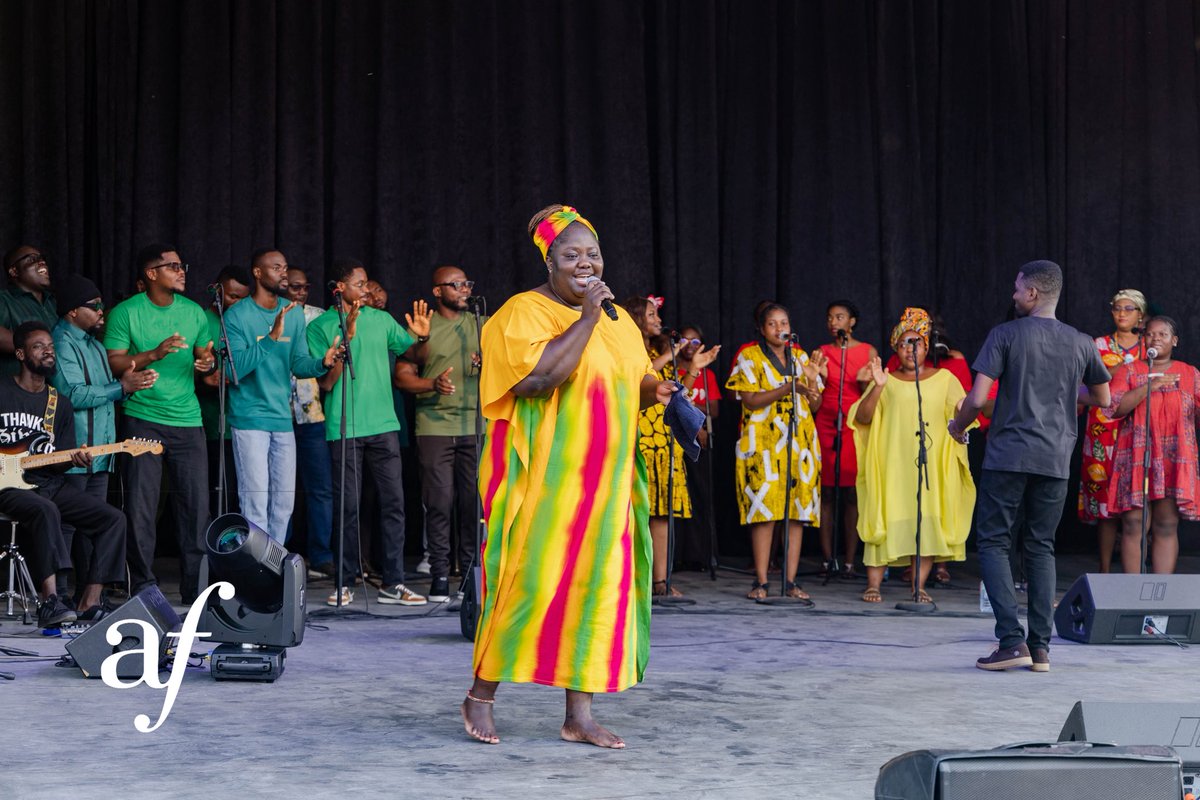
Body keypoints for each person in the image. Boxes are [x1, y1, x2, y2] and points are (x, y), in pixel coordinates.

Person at [463, 204, 677, 749]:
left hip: (607, 482)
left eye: (593, 254)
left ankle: (578, 716)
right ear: (549, 262)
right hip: (545, 482)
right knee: (528, 583)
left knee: (595, 591)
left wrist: (663, 393)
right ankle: (480, 695)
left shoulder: (618, 320)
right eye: (571, 255)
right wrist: (584, 317)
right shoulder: (521, 313)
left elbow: (637, 381)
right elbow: (538, 381)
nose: (586, 264)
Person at [949, 260, 1110, 672]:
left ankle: (1010, 641)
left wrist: (957, 425)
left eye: (1018, 289)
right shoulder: (1081, 341)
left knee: (993, 542)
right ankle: (1040, 649)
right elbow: (1104, 398)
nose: (1014, 295)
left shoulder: (1005, 334)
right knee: (1041, 546)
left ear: (1034, 294)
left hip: (1009, 454)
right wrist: (1056, 388)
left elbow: (979, 397)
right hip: (1055, 456)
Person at [306, 257, 430, 607]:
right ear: (340, 288)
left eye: (367, 283)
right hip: (344, 427)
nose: (367, 290)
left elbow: (415, 355)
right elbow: (327, 383)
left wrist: (423, 337)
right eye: (360, 284)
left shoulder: (381, 320)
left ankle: (394, 583)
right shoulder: (321, 327)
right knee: (348, 507)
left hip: (384, 425)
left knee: (394, 504)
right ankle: (344, 582)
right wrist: (344, 343)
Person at [105, 244, 216, 604]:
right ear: (151, 274)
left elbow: (205, 355)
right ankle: (143, 587)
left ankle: (195, 589)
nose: (182, 271)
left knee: (196, 507)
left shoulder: (195, 312)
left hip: (187, 419)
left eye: (182, 265)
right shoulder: (126, 313)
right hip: (144, 418)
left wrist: (207, 364)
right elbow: (113, 363)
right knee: (141, 505)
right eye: (172, 266)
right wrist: (153, 353)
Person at [0, 322, 128, 627]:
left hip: (48, 483)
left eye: (51, 347)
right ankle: (51, 602)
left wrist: (77, 459)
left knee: (113, 519)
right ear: (20, 353)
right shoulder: (2, 391)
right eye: (38, 346)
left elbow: (59, 458)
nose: (48, 351)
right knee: (46, 510)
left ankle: (88, 602)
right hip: (7, 487)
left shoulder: (59, 403)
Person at [849, 308, 975, 603]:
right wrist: (877, 387)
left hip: (927, 466)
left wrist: (968, 406)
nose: (911, 348)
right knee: (884, 517)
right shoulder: (886, 380)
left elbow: (963, 413)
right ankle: (874, 585)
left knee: (925, 523)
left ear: (927, 347)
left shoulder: (944, 378)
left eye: (917, 342)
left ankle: (918, 586)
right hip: (892, 464)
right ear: (896, 347)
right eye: (905, 342)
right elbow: (863, 418)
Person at [51, 274, 157, 601]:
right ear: (72, 311)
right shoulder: (60, 342)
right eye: (93, 306)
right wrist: (121, 387)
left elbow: (107, 398)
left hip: (101, 453)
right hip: (72, 452)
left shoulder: (96, 346)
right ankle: (57, 599)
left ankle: (88, 600)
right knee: (66, 526)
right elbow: (73, 395)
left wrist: (129, 387)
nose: (101, 310)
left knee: (95, 527)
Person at [224, 249, 340, 543]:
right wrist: (271, 339)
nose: (284, 274)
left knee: (284, 505)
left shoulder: (293, 312)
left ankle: (273, 570)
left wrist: (322, 363)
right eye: (276, 268)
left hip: (282, 418)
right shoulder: (238, 314)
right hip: (249, 418)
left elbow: (299, 364)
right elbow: (234, 369)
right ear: (258, 273)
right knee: (255, 502)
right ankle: (255, 572)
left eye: (285, 267)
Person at [393, 266, 483, 603]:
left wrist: (492, 363)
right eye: (456, 284)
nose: (464, 289)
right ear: (437, 291)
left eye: (467, 282)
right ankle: (441, 575)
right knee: (440, 503)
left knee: (474, 503)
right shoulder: (423, 328)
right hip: (435, 427)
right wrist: (432, 383)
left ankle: (472, 575)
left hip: (475, 425)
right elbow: (403, 376)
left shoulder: (481, 324)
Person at [725, 302, 825, 601]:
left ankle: (791, 581)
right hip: (762, 445)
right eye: (773, 323)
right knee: (764, 513)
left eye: (784, 322)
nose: (781, 328)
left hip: (799, 444)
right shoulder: (749, 356)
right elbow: (751, 401)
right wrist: (790, 387)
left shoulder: (801, 356)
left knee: (797, 514)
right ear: (761, 328)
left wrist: (810, 380)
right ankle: (762, 581)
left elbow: (815, 405)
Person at [622, 296, 720, 596]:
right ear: (637, 317)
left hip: (664, 440)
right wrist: (671, 355)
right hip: (638, 438)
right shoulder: (627, 348)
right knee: (633, 513)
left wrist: (693, 368)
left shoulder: (661, 349)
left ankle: (660, 580)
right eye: (651, 313)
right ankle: (630, 580)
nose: (657, 318)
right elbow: (638, 378)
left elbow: (676, 394)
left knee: (662, 514)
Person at [1106, 316, 1200, 575]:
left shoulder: (1189, 373)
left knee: (1166, 524)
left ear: (1175, 341)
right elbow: (1114, 408)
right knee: (1134, 524)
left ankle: (1161, 591)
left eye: (1163, 334)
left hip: (1174, 459)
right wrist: (1150, 385)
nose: (1156, 338)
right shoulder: (1130, 371)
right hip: (1137, 457)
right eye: (1150, 334)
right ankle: (1134, 592)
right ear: (1143, 339)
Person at [1079, 289, 1148, 572]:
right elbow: (1087, 379)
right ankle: (1105, 570)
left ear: (1140, 316)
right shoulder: (1098, 344)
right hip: (1103, 428)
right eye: (1117, 308)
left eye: (1129, 308)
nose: (1121, 313)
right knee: (1105, 502)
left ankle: (1142, 569)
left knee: (1139, 499)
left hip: (1139, 426)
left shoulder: (1149, 346)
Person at [815, 300, 876, 579]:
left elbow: (873, 396)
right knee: (825, 492)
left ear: (852, 322)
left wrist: (864, 383)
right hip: (826, 422)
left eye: (839, 317)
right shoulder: (821, 353)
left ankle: (850, 560)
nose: (833, 322)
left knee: (852, 493)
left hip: (854, 424)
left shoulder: (867, 351)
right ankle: (829, 559)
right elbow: (813, 395)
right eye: (829, 317)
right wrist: (819, 378)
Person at [285, 267, 335, 578]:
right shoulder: (274, 314)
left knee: (320, 487)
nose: (300, 293)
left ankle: (322, 554)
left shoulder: (320, 316)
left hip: (312, 413)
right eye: (293, 287)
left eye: (304, 288)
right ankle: (282, 554)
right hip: (276, 412)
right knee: (281, 489)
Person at [198, 265, 251, 514]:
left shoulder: (245, 321)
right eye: (233, 296)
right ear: (217, 291)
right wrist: (207, 375)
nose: (238, 302)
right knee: (212, 489)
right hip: (210, 421)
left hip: (242, 420)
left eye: (243, 297)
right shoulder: (201, 319)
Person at [0, 245, 58, 373]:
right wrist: (35, 347)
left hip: (53, 388)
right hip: (18, 389)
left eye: (42, 258)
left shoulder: (53, 302)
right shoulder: (5, 299)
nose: (42, 262)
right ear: (14, 271)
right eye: (32, 259)